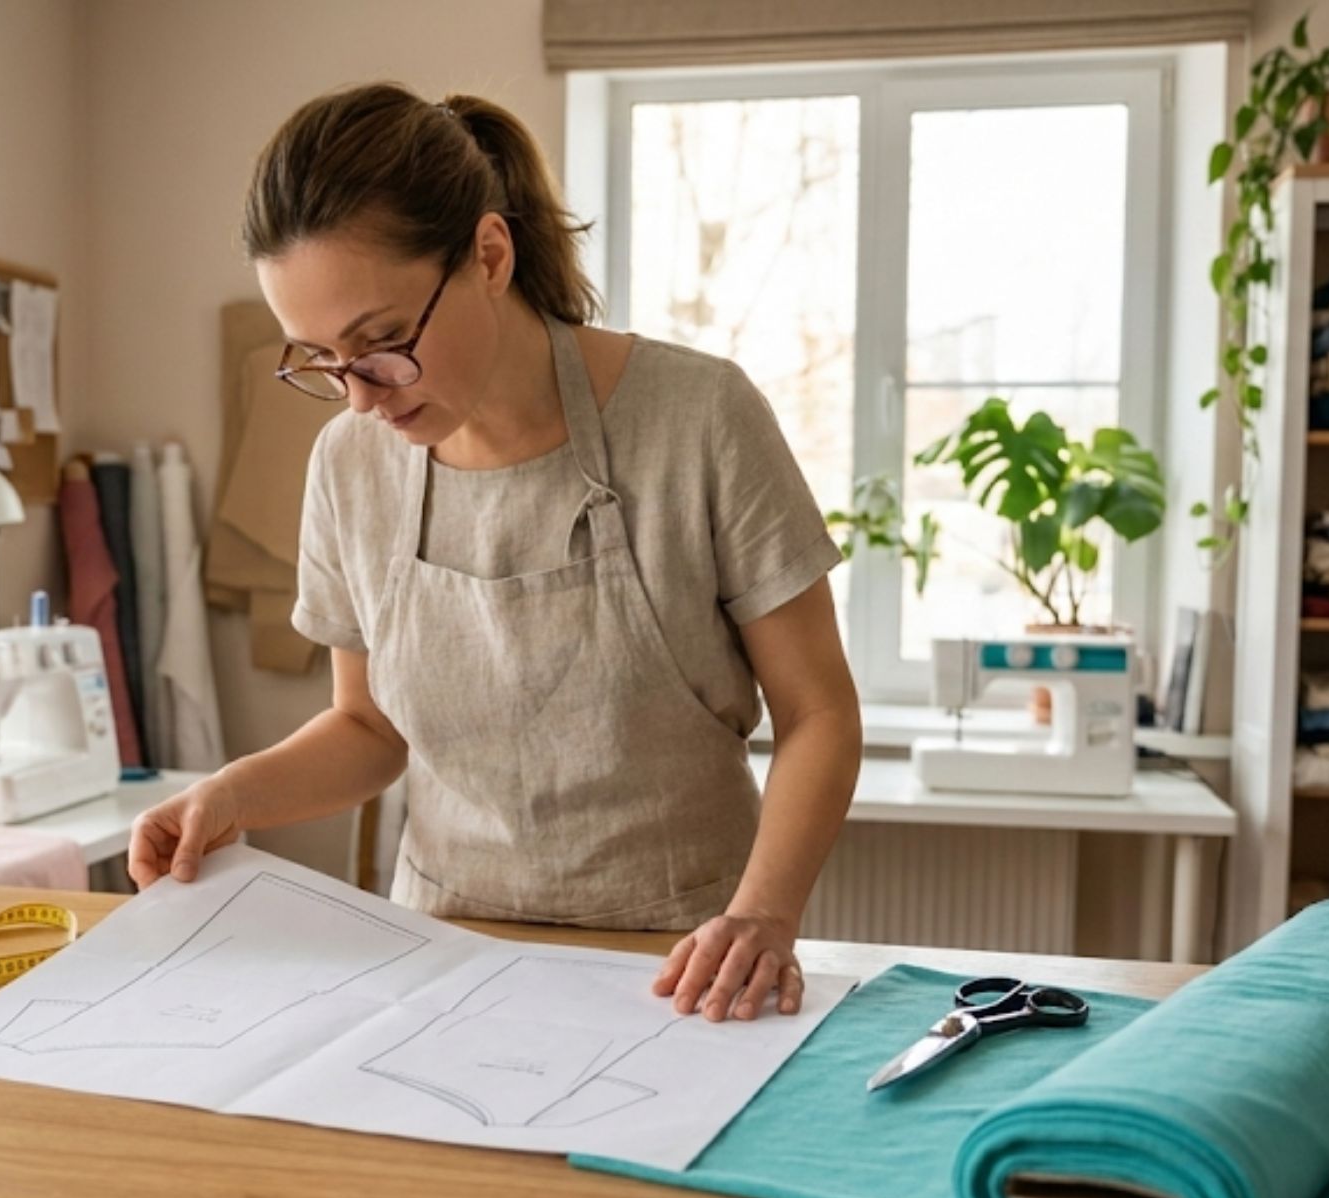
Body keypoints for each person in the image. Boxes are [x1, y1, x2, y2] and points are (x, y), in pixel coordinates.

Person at [129, 83, 860, 1023]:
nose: (361, 398)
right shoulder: (352, 464)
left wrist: (763, 915)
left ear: (488, 254)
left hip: (684, 973)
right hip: (442, 967)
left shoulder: (698, 420)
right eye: (320, 359)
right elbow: (369, 729)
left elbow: (819, 712)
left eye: (383, 342)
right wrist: (231, 795)